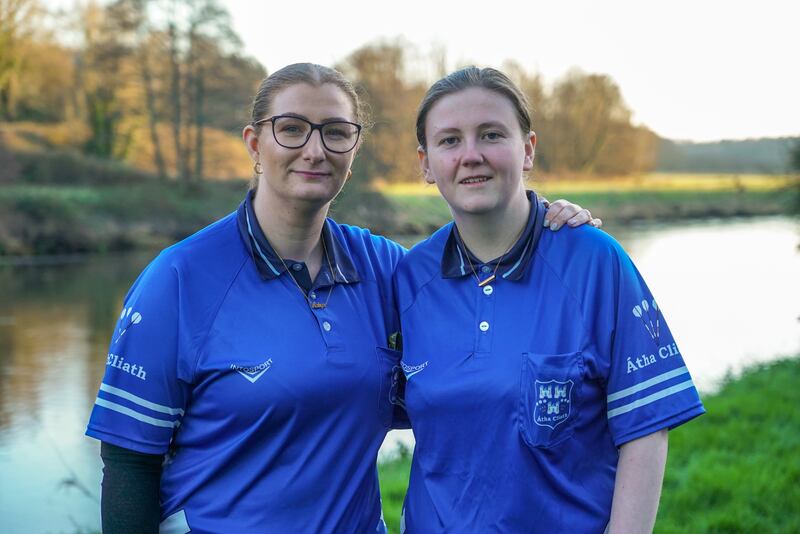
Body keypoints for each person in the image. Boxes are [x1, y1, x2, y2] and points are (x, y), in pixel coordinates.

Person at [85, 63, 598, 534]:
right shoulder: (178, 279)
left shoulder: (388, 269)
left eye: (335, 132)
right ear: (254, 143)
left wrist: (540, 220)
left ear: (353, 150)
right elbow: (130, 460)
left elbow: (474, 318)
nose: (315, 150)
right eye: (291, 128)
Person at [393, 67, 706, 533]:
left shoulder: (595, 262)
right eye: (450, 141)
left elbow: (645, 429)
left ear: (528, 150)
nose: (471, 155)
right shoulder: (407, 278)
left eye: (491, 134)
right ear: (425, 163)